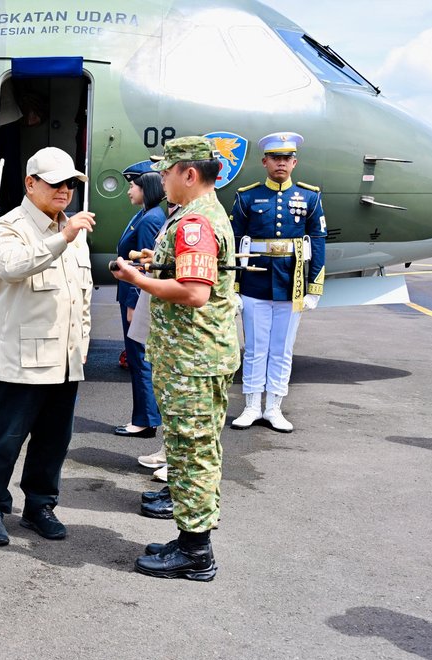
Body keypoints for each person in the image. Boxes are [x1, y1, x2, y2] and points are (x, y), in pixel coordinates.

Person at [111, 136, 239, 581]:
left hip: (192, 359)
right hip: (194, 357)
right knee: (190, 448)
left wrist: (134, 278)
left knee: (192, 451)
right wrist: (157, 263)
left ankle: (196, 553)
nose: (160, 179)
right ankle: (189, 538)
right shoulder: (197, 215)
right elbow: (191, 271)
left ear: (189, 173)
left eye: (165, 172)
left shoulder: (194, 223)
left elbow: (194, 293)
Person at [0, 147, 96, 546]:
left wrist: (82, 347)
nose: (64, 190)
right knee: (4, 439)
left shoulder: (73, 230)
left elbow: (83, 296)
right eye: (55, 182)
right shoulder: (9, 226)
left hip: (64, 358)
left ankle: (40, 505)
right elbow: (11, 267)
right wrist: (62, 237)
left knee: (54, 440)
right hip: (19, 357)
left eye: (70, 184)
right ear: (30, 183)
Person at [228, 132, 326, 433]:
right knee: (256, 348)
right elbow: (233, 242)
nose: (281, 163)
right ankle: (251, 406)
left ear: (294, 162)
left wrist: (313, 287)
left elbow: (318, 242)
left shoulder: (310, 197)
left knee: (283, 349)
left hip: (291, 283)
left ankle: (274, 407)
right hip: (255, 281)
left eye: (286, 158)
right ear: (265, 161)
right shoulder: (247, 196)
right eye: (275, 158)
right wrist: (233, 287)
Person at [114, 160, 165, 439]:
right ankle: (145, 416)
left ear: (147, 187)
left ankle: (145, 420)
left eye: (133, 185)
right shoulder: (145, 214)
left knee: (140, 358)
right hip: (131, 296)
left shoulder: (151, 219)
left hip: (136, 299)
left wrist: (135, 304)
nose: (129, 191)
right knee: (137, 357)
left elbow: (145, 266)